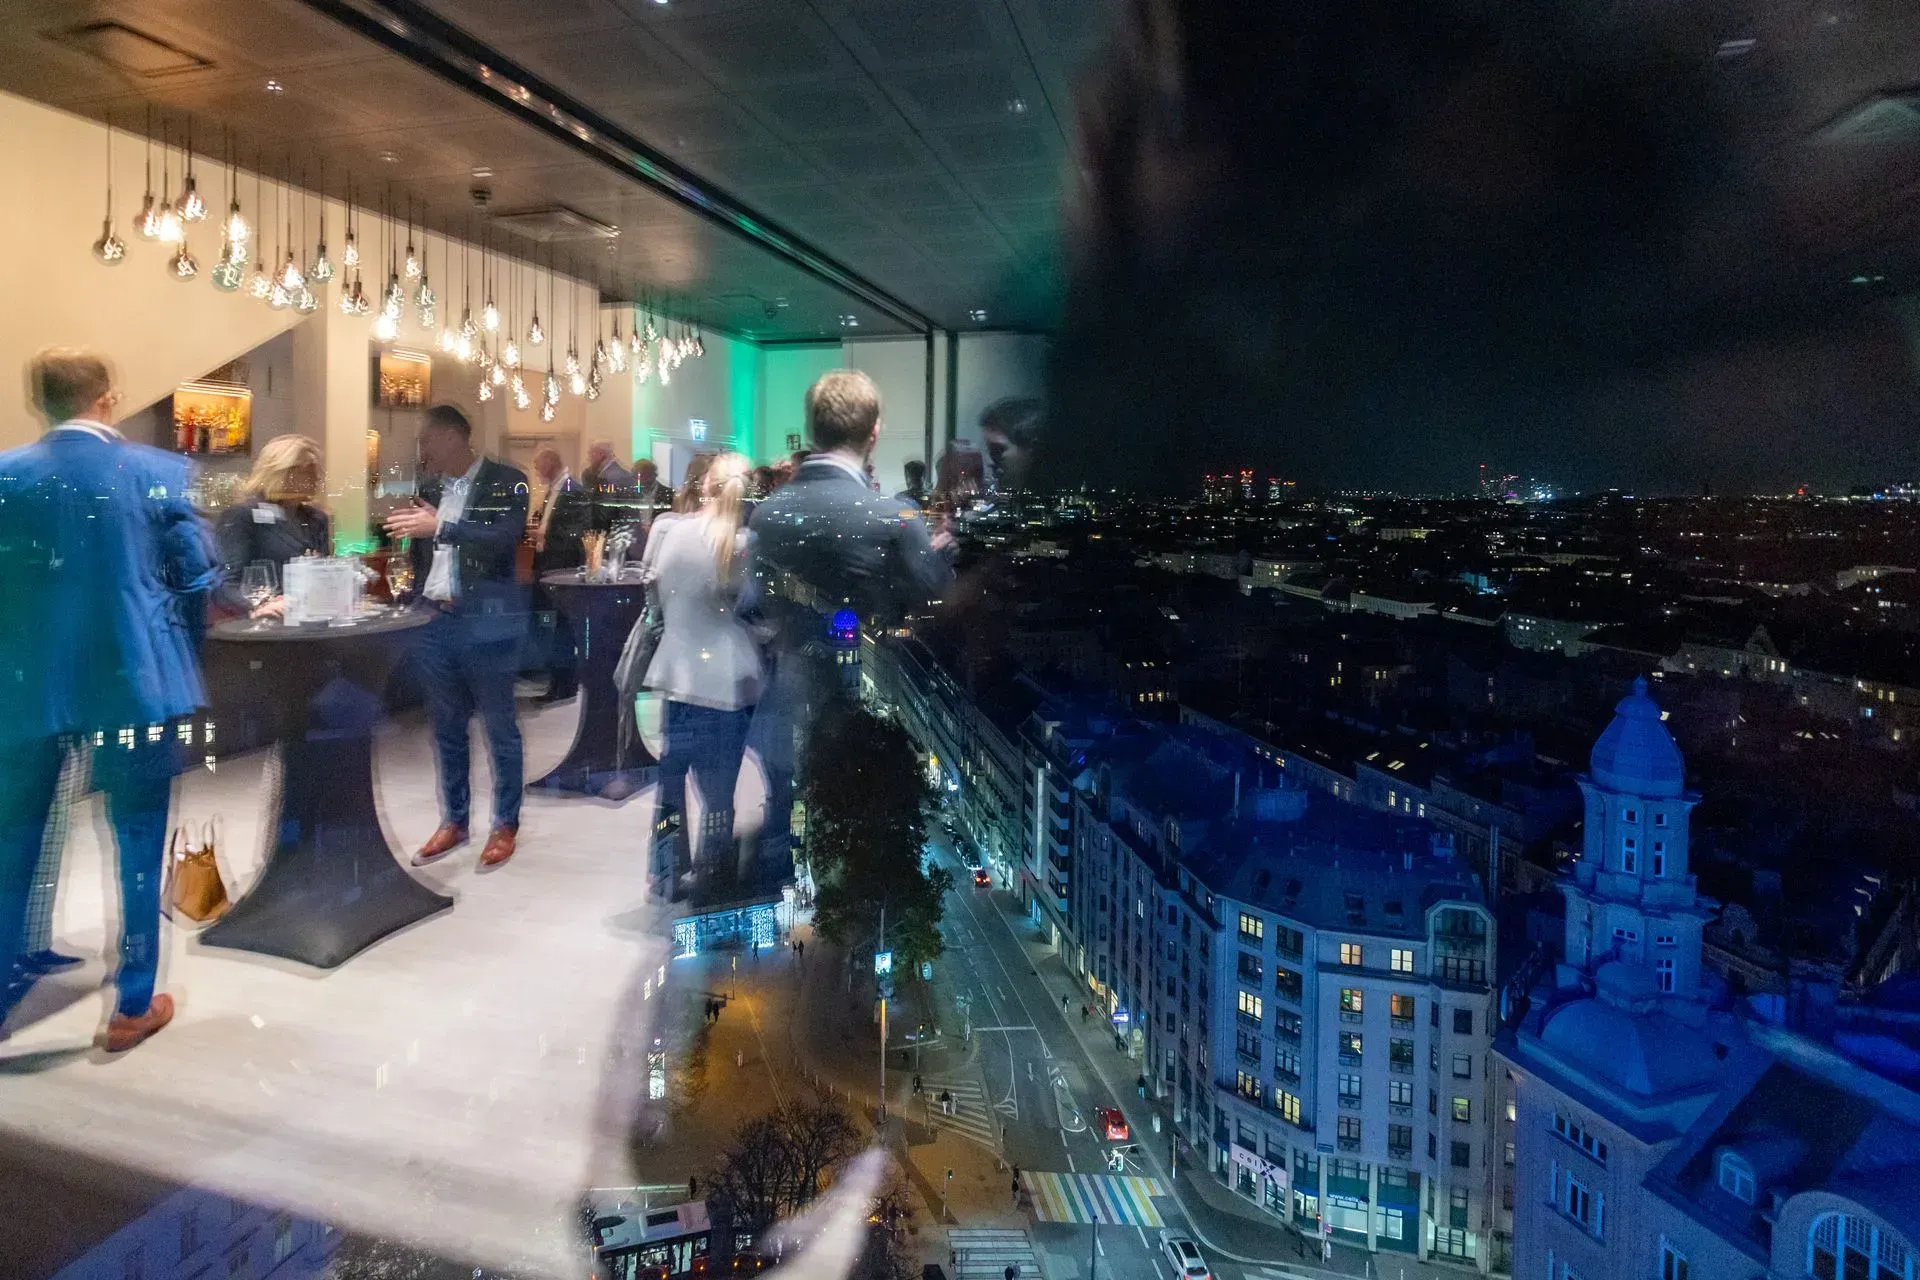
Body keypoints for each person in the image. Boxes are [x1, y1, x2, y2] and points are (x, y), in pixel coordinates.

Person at [0, 348, 217, 1051]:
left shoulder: (7, 475)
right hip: (131, 681)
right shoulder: (155, 472)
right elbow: (197, 574)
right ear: (107, 398)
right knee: (137, 838)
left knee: (13, 845)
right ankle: (130, 1003)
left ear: (43, 401)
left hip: (28, 684)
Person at [747, 371, 956, 877]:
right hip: (852, 726)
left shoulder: (766, 517)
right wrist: (938, 553)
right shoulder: (893, 517)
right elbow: (937, 605)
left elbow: (754, 611)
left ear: (813, 428)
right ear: (874, 432)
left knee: (784, 840)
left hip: (776, 710)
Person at [385, 404, 530, 871]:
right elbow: (426, 555)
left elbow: (503, 538)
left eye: (426, 440)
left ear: (451, 437)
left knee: (499, 727)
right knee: (446, 728)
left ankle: (505, 824)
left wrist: (441, 527)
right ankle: (455, 819)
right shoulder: (430, 489)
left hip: (488, 623)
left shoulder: (509, 480)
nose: (423, 450)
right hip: (437, 622)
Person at [641, 453, 763, 901]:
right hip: (729, 681)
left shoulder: (668, 532)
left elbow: (654, 603)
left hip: (677, 675)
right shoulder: (744, 543)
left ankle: (667, 872)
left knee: (672, 784)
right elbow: (755, 613)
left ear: (704, 485)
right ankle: (714, 880)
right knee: (718, 796)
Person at [214, 434, 331, 618]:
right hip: (265, 625)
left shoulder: (317, 518)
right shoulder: (243, 516)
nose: (316, 477)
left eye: (315, 469)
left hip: (312, 621)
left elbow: (324, 575)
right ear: (281, 472)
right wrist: (258, 607)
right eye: (307, 470)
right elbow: (226, 585)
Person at [526, 448, 587, 703]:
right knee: (551, 627)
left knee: (561, 628)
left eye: (539, 466)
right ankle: (557, 682)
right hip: (548, 566)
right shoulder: (555, 489)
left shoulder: (573, 490)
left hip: (561, 569)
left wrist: (544, 536)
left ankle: (565, 684)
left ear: (551, 463)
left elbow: (575, 534)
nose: (537, 471)